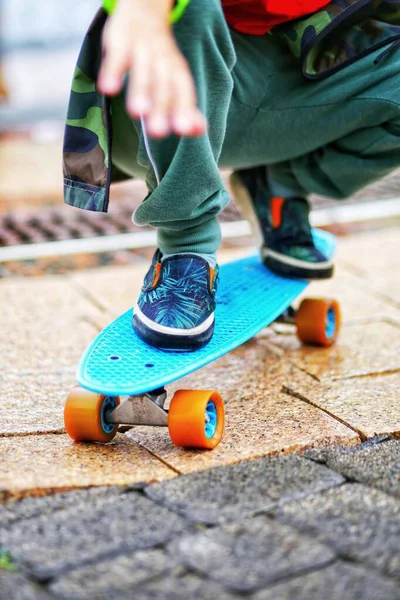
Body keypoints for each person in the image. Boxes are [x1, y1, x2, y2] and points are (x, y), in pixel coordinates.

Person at [63, 0, 400, 350]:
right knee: (189, 6)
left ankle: (276, 187)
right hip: (162, 84)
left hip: (294, 79)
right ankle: (185, 247)